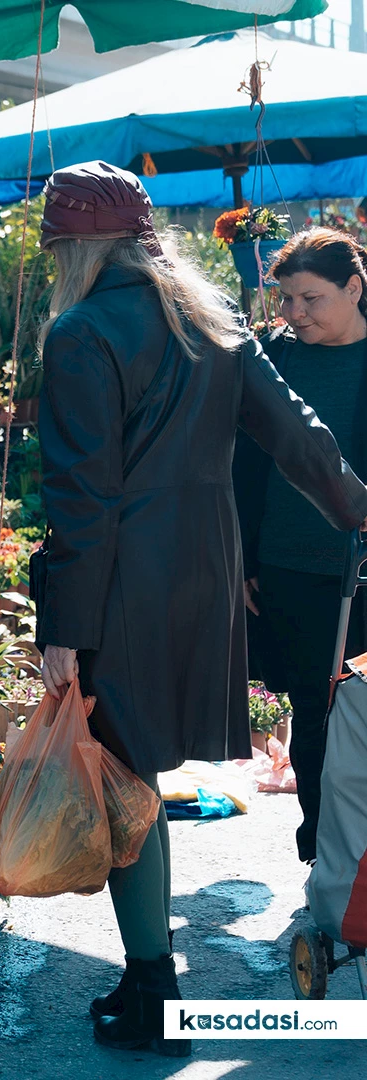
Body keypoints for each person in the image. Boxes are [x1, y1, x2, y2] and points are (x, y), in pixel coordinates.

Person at [34, 162, 367, 1058]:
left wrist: (61, 624)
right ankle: (147, 978)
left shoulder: (80, 332)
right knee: (134, 774)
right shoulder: (211, 322)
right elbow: (299, 432)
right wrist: (358, 509)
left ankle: (156, 997)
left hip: (117, 587)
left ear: (77, 246)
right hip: (207, 582)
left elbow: (79, 495)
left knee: (124, 777)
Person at [234, 228, 367, 866]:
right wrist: (243, 559)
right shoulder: (273, 357)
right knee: (313, 711)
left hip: (363, 569)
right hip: (289, 563)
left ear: (354, 288)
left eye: (310, 299)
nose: (295, 314)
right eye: (287, 300)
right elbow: (242, 464)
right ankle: (323, 854)